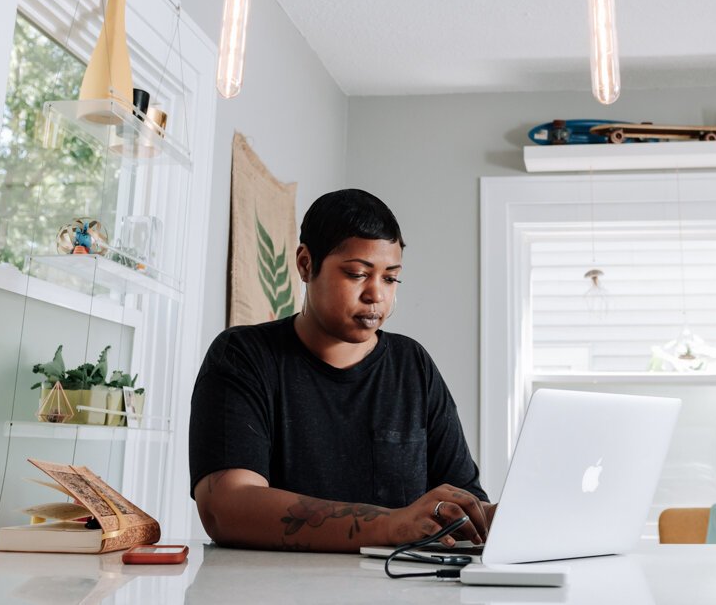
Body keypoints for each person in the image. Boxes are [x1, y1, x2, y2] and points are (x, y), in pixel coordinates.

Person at [190, 189, 492, 551]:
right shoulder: (243, 356)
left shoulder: (413, 365)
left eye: (390, 278)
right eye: (357, 274)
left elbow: (466, 508)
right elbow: (226, 508)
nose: (376, 294)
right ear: (305, 264)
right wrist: (392, 525)